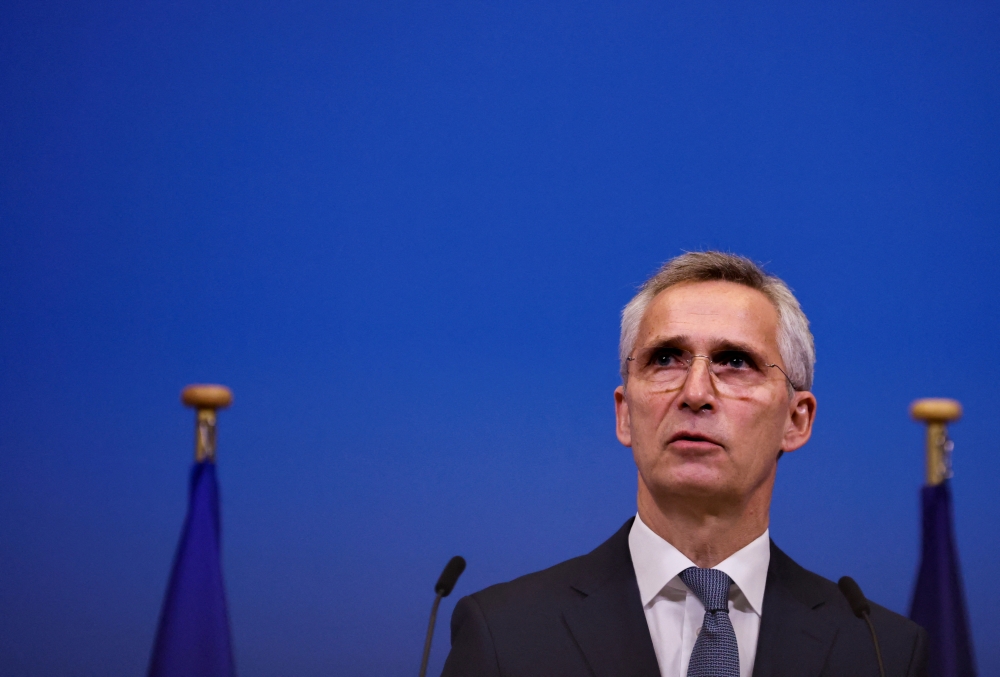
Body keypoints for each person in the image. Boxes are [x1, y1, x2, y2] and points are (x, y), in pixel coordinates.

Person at [441, 251, 927, 677]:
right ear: (625, 413)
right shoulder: (505, 637)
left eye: (735, 361)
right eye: (666, 358)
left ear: (796, 420)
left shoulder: (881, 651)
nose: (695, 393)